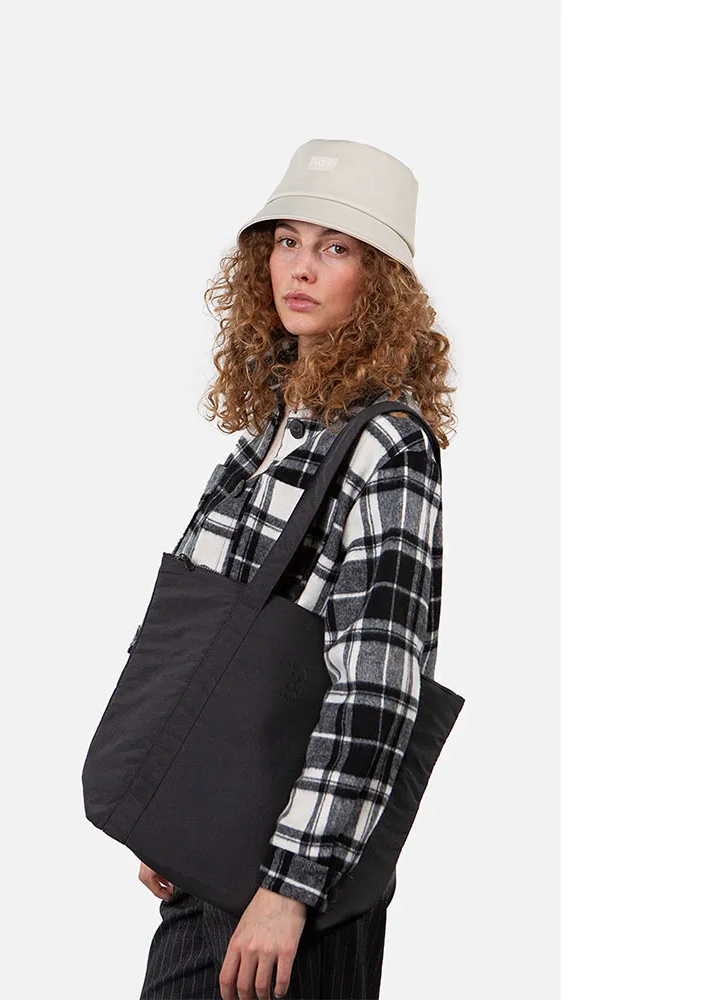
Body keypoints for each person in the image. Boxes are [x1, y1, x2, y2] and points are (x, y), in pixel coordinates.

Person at [137, 138, 456, 1000]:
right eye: (288, 240)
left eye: (336, 247)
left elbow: (377, 686)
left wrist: (290, 889)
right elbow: (205, 646)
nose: (302, 268)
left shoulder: (389, 447)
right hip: (217, 858)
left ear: (379, 282)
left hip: (289, 892)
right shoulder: (268, 437)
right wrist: (169, 804)